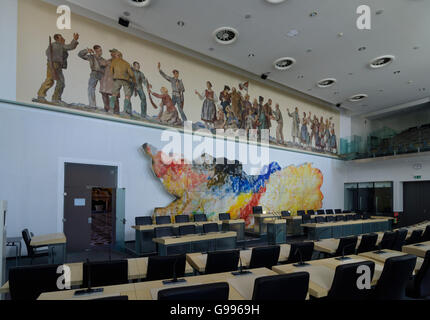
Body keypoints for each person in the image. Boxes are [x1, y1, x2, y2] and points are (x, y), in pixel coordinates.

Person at [36, 33, 79, 105]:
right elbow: (70, 47)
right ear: (57, 39)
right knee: (50, 80)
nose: (63, 39)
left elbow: (48, 53)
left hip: (57, 65)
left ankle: (56, 98)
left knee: (60, 82)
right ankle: (41, 95)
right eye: (61, 38)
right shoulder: (58, 45)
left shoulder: (54, 45)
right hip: (53, 65)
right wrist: (74, 39)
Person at [110, 51, 136, 115]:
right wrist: (133, 80)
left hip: (117, 80)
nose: (114, 57)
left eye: (115, 55)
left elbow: (111, 72)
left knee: (114, 94)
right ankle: (124, 111)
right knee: (127, 96)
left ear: (117, 56)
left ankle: (111, 109)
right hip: (126, 81)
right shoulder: (126, 63)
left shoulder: (114, 62)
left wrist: (113, 78)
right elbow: (132, 74)